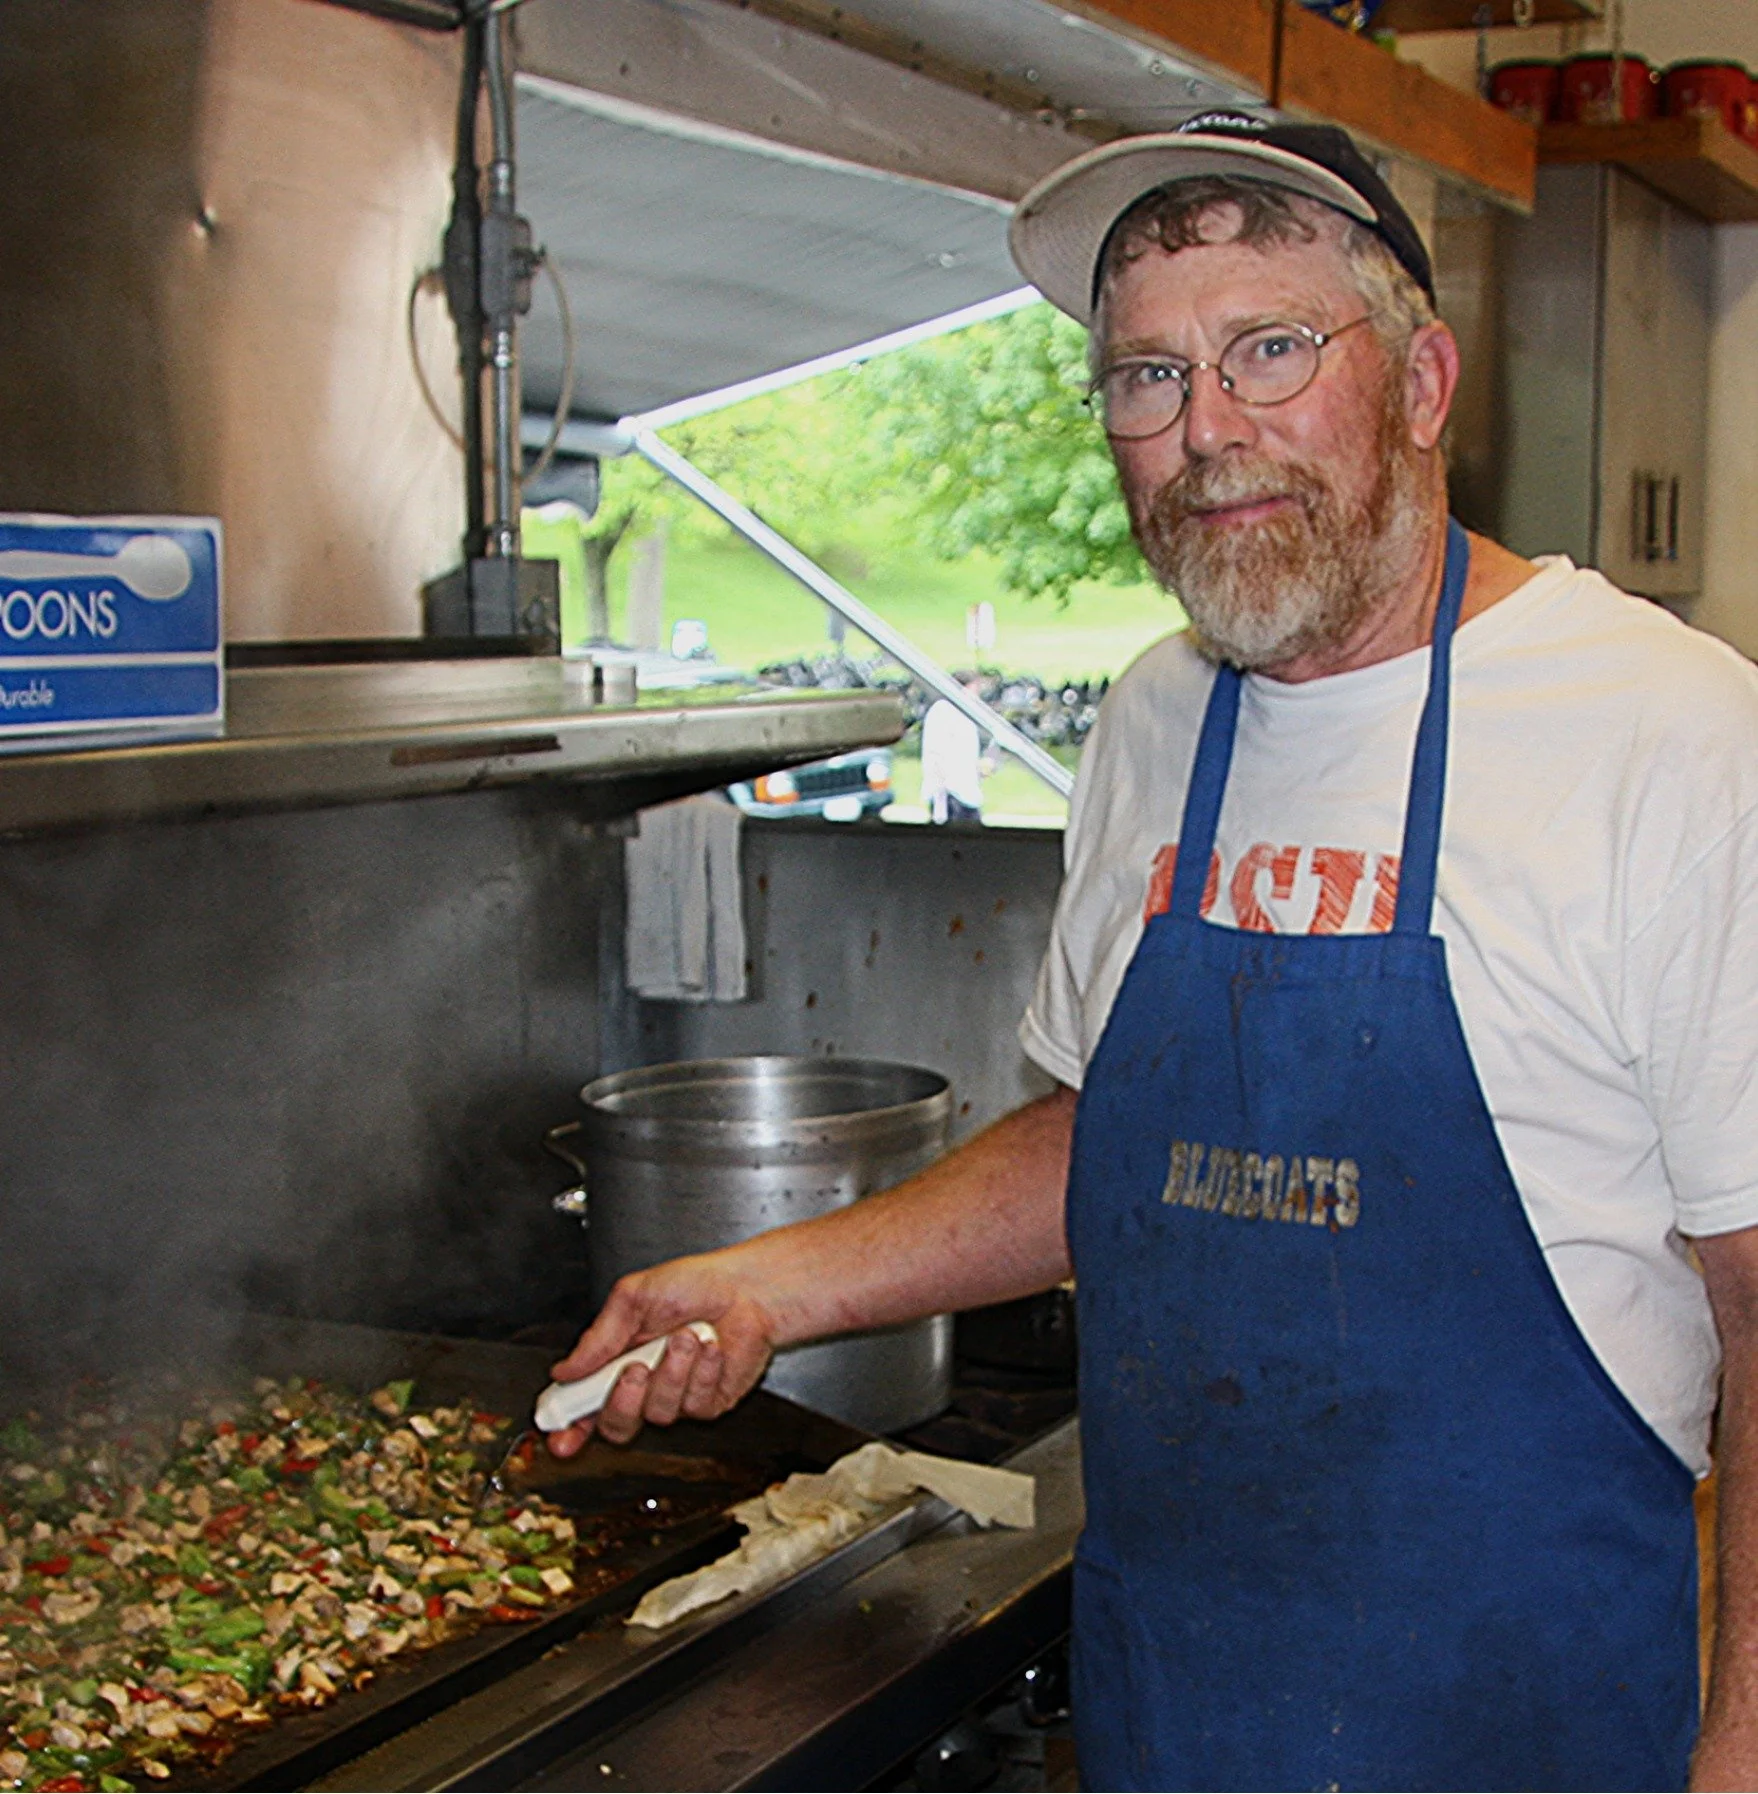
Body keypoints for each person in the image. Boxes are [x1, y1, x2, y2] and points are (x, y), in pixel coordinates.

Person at [541, 113, 1758, 1791]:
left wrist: (1741, 1747)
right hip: (1177, 1710)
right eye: (1146, 376)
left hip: (1522, 1728)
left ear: (1420, 385)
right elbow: (1112, 1140)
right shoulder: (1153, 717)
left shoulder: (1665, 731)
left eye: (1269, 350)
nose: (1206, 431)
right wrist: (767, 1280)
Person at [919, 672, 991, 823]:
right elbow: (936, 751)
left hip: (967, 791)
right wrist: (942, 785)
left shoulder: (966, 713)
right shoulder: (943, 711)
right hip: (948, 792)